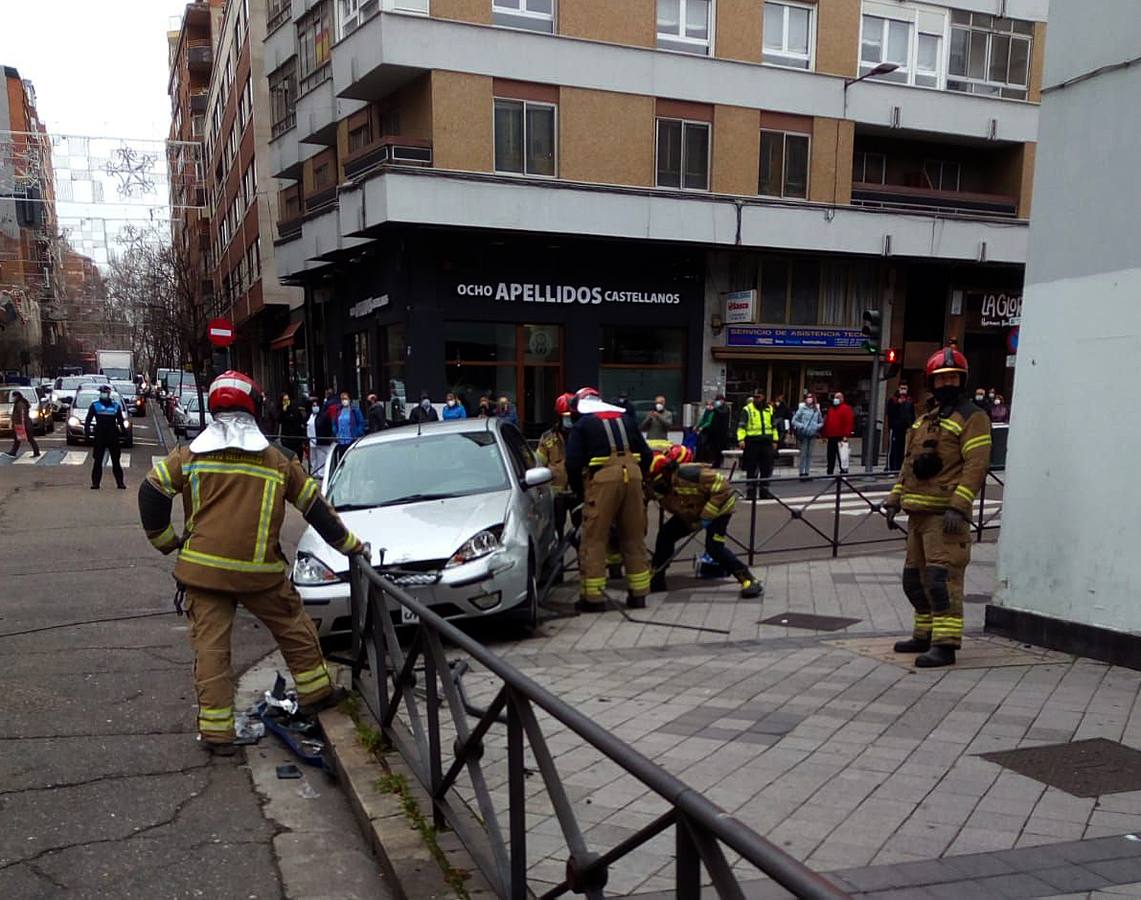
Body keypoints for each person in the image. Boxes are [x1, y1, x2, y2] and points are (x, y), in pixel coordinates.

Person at [138, 370, 367, 754]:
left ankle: (217, 733)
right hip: (259, 573)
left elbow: (151, 492)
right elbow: (317, 510)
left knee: (211, 650)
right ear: (255, 407)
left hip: (203, 572)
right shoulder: (277, 461)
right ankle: (316, 694)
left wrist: (167, 544)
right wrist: (351, 547)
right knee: (294, 628)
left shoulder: (189, 456)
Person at [882, 349, 991, 668]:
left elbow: (976, 465)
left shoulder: (973, 417)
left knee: (942, 581)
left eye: (952, 377)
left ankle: (945, 645)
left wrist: (959, 506)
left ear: (962, 380)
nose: (947, 382)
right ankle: (924, 634)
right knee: (914, 581)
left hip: (945, 517)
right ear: (932, 382)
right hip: (917, 514)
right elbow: (908, 466)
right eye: (941, 378)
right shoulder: (925, 418)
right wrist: (893, 500)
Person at [565, 386, 653, 611]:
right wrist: (638, 478)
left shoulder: (583, 424)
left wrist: (580, 492)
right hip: (632, 477)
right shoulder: (626, 419)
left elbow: (573, 463)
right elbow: (647, 454)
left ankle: (593, 599)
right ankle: (638, 595)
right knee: (633, 537)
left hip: (603, 479)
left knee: (594, 539)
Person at [647, 445, 763, 599]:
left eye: (659, 482)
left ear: (667, 473)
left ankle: (748, 580)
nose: (657, 486)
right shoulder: (659, 486)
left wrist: (707, 515)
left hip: (718, 511)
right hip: (692, 512)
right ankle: (657, 578)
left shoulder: (690, 474)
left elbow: (722, 488)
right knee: (666, 535)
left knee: (714, 548)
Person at [536, 393, 574, 540]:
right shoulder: (548, 438)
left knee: (583, 529)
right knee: (557, 528)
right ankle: (559, 559)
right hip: (557, 494)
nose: (568, 420)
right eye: (565, 416)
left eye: (571, 416)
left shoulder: (583, 434)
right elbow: (539, 464)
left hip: (578, 491)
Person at [736, 388, 779, 500]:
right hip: (752, 443)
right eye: (755, 397)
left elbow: (774, 427)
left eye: (758, 397)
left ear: (763, 397)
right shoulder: (747, 409)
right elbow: (741, 426)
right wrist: (741, 439)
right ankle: (751, 493)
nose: (756, 399)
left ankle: (764, 492)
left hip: (766, 442)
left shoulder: (769, 409)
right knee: (752, 468)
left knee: (766, 468)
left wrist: (775, 441)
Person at [85, 384, 127, 490]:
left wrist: (124, 433)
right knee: (98, 461)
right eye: (102, 392)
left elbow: (120, 421)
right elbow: (88, 420)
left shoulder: (116, 406)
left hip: (113, 435)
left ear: (109, 394)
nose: (104, 394)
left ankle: (120, 483)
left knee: (116, 461)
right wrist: (87, 433)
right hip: (100, 435)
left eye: (106, 393)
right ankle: (95, 483)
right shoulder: (95, 405)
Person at [790, 393, 823, 479]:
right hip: (804, 434)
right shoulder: (802, 409)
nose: (809, 399)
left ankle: (807, 472)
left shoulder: (816, 410)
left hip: (812, 434)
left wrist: (817, 426)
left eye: (811, 398)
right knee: (803, 454)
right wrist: (801, 426)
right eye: (808, 398)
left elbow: (821, 422)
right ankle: (801, 472)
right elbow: (794, 420)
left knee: (809, 454)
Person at [885, 384, 916, 473]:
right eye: (902, 388)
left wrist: (911, 425)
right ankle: (892, 467)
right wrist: (898, 404)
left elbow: (911, 414)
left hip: (905, 428)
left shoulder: (909, 400)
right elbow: (890, 413)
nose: (903, 390)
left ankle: (899, 467)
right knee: (894, 448)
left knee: (902, 449)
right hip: (895, 428)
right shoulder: (893, 400)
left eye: (905, 388)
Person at [821, 391, 854, 475]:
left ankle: (843, 471)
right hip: (831, 436)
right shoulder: (831, 409)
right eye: (835, 397)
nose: (836, 399)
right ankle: (829, 471)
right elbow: (827, 422)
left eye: (838, 397)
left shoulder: (846, 409)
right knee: (830, 455)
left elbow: (848, 422)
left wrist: (846, 435)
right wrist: (824, 435)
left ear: (842, 399)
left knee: (842, 455)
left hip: (841, 436)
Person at [332, 391, 365, 466]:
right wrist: (335, 432)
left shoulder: (354, 410)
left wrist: (357, 433)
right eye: (342, 399)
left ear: (349, 399)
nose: (344, 400)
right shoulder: (338, 411)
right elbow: (334, 423)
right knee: (342, 461)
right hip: (341, 440)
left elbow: (360, 423)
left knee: (352, 461)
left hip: (351, 439)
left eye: (345, 398)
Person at [6, 389, 40, 458]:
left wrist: (22, 425)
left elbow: (22, 415)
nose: (13, 398)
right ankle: (13, 452)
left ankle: (36, 452)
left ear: (17, 396)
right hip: (22, 424)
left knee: (29, 439)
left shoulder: (20, 404)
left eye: (14, 397)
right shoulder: (19, 403)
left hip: (23, 425)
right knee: (17, 439)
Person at [278, 392, 307, 457]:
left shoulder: (295, 409)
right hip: (286, 439)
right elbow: (279, 420)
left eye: (287, 400)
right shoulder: (281, 410)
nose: (286, 402)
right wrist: (283, 411)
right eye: (284, 400)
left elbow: (299, 421)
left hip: (296, 438)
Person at [306, 399, 329, 477]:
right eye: (313, 406)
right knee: (313, 458)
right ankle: (314, 473)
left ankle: (321, 474)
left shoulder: (323, 416)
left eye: (316, 405)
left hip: (320, 441)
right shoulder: (310, 416)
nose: (315, 407)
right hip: (311, 441)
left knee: (321, 458)